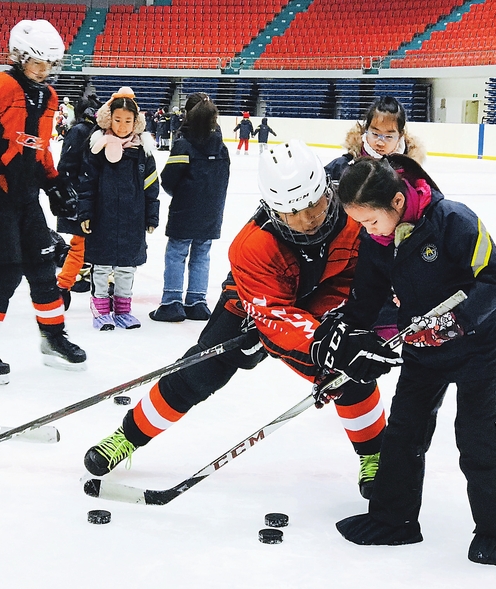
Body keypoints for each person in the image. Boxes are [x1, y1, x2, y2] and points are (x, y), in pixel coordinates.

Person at [83, 140, 398, 502]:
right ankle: (128, 436)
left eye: (314, 204)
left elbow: (376, 269)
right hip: (258, 298)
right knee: (198, 372)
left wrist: (351, 334)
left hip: (330, 291)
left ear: (328, 189)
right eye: (292, 212)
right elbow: (275, 315)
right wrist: (310, 339)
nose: (307, 219)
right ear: (271, 207)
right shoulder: (252, 246)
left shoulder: (352, 214)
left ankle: (374, 454)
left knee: (348, 368)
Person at [325, 155, 496, 566]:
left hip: (478, 348)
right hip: (423, 346)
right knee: (404, 432)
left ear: (398, 202)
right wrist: (346, 331)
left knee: (476, 438)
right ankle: (392, 520)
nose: (367, 231)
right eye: (361, 223)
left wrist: (459, 321)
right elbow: (366, 299)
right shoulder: (379, 241)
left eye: (370, 221)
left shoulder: (454, 220)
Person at [0, 19, 86, 384]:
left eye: (48, 64)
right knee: (6, 274)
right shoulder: (0, 85)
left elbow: (36, 147)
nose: (43, 71)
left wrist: (54, 183)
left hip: (26, 199)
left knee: (43, 271)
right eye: (36, 62)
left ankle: (54, 339)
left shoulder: (48, 97)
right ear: (19, 57)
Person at [78, 86, 159, 331]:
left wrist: (151, 216)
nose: (122, 126)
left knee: (126, 267)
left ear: (136, 122)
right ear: (108, 119)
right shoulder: (97, 149)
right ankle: (101, 311)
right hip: (103, 216)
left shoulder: (143, 154)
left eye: (128, 121)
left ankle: (123, 310)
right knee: (101, 266)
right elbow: (87, 183)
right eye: (117, 120)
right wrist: (85, 212)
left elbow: (151, 187)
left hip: (132, 219)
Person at [149, 92, 229, 323]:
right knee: (201, 254)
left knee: (176, 253)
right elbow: (223, 179)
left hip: (185, 209)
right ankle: (196, 301)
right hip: (211, 212)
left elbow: (169, 179)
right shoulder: (221, 147)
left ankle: (172, 302)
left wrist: (181, 195)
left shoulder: (184, 144)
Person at [55, 92, 100, 306]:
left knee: (84, 244)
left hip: (90, 196)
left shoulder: (94, 131)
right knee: (80, 244)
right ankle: (64, 285)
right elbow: (66, 166)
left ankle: (69, 283)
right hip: (83, 197)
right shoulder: (81, 132)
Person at [329, 96, 426, 181]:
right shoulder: (344, 166)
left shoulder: (411, 173)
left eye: (388, 136)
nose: (380, 142)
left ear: (400, 136)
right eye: (375, 134)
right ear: (366, 130)